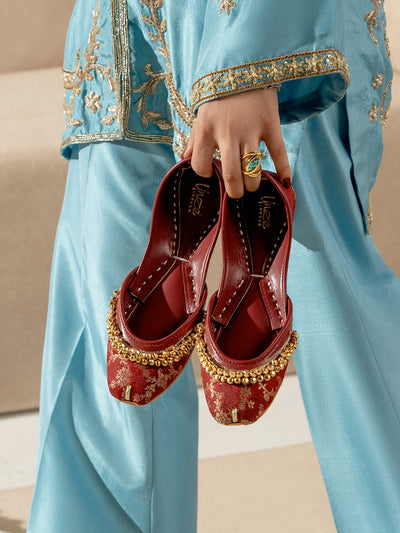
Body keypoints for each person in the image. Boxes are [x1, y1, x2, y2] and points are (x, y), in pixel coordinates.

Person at [28, 0, 400, 531]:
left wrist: (252, 52)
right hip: (117, 36)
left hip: (255, 28)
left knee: (342, 330)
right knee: (116, 347)